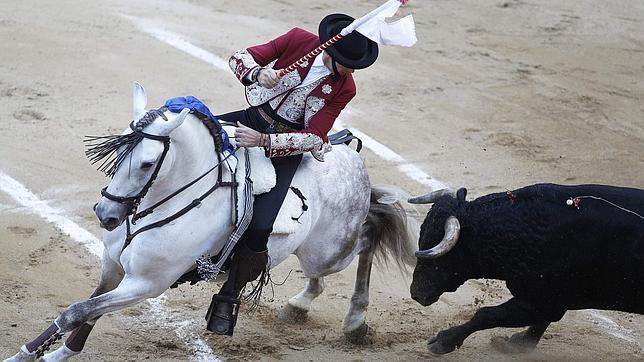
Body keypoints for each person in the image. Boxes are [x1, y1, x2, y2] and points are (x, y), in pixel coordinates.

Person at [206, 13, 380, 336]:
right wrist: (258, 73)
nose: (352, 71)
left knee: (260, 225)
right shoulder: (299, 40)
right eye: (349, 63)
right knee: (190, 136)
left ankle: (229, 296)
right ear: (332, 51)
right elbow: (239, 57)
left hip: (286, 151)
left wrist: (263, 142)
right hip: (250, 118)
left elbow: (315, 136)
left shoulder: (345, 87)